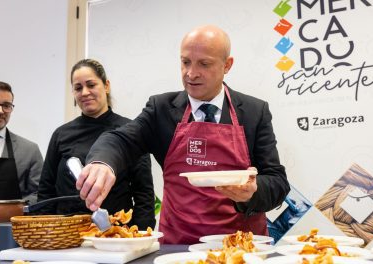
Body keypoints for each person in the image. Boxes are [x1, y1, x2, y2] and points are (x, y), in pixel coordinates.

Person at [75, 25, 290, 244]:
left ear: (227, 65)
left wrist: (252, 191)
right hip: (179, 248)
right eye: (185, 62)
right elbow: (120, 139)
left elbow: (277, 182)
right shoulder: (161, 109)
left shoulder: (254, 112)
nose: (191, 73)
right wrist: (103, 162)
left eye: (204, 64)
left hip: (241, 247)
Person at [37, 59, 155, 230]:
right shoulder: (61, 134)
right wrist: (44, 232)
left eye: (91, 85)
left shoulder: (130, 132)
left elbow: (144, 194)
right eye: (78, 88)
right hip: (67, 233)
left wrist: (142, 236)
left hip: (116, 233)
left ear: (106, 86)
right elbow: (46, 191)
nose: (85, 92)